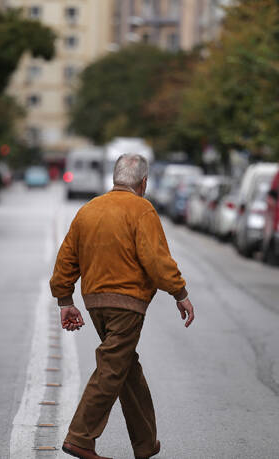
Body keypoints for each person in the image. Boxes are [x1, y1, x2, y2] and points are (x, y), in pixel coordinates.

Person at [50, 153, 195, 459]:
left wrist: (65, 300)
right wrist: (179, 292)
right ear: (143, 182)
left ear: (115, 178)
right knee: (111, 368)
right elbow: (157, 261)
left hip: (94, 305)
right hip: (127, 305)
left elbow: (66, 259)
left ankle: (145, 443)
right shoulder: (142, 210)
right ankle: (80, 437)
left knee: (126, 367)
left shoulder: (88, 210)